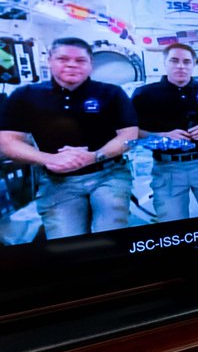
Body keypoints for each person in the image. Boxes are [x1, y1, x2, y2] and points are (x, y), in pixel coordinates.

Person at [0, 37, 138, 239]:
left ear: (90, 64)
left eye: (80, 60)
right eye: (63, 59)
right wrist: (50, 159)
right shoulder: (25, 96)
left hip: (109, 174)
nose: (72, 65)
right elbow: (8, 141)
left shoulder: (112, 93)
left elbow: (129, 135)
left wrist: (94, 156)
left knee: (111, 229)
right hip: (57, 181)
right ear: (50, 61)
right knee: (67, 240)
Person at [132, 43, 198, 220]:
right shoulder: (144, 95)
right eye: (174, 61)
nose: (180, 66)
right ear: (164, 63)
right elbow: (131, 134)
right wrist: (161, 136)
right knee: (173, 225)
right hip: (166, 169)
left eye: (186, 62)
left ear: (193, 64)